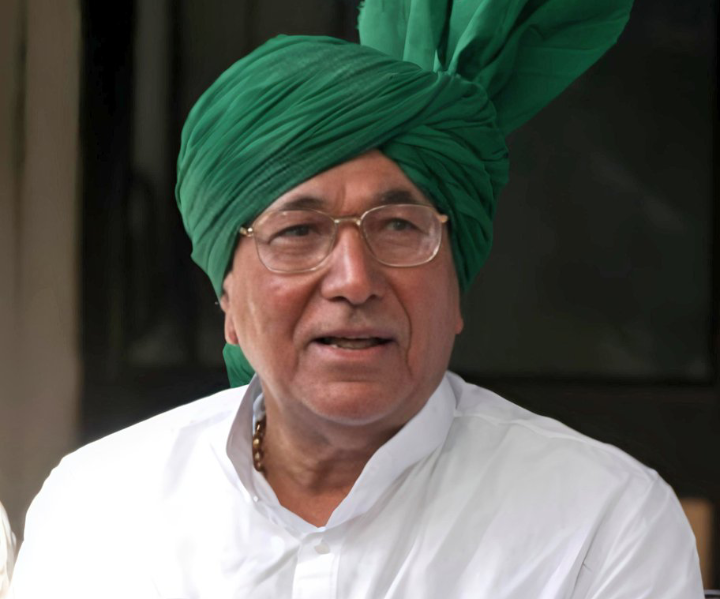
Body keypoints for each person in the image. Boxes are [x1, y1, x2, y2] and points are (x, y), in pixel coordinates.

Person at [11, 0, 704, 596]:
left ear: (455, 289)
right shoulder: (97, 507)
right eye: (298, 232)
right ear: (227, 298)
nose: (353, 279)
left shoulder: (600, 523)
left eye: (399, 227)